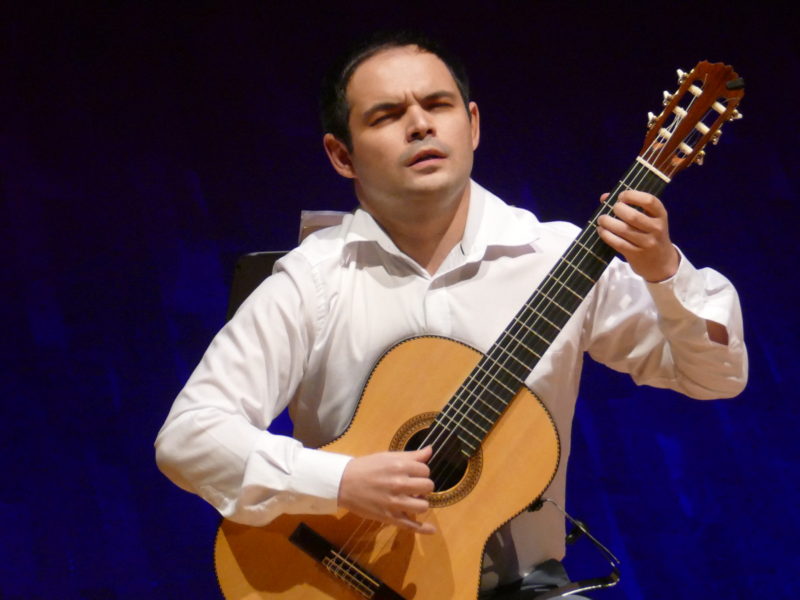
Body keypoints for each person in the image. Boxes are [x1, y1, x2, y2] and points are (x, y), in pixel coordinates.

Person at [155, 31, 747, 598]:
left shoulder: (557, 259)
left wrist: (664, 271)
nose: (420, 125)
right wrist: (341, 482)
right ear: (341, 155)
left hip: (528, 588)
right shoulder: (313, 281)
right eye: (386, 116)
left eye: (437, 105)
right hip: (334, 572)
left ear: (473, 124)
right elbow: (189, 437)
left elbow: (714, 378)